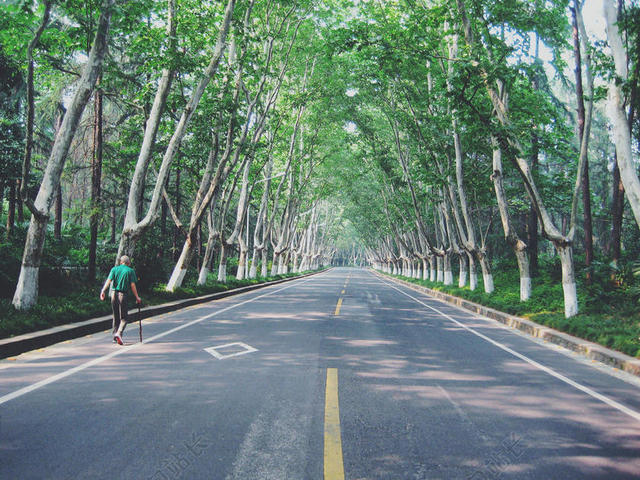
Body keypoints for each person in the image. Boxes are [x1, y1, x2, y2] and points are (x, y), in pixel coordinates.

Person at [100, 255, 142, 345]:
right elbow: (132, 285)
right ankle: (119, 333)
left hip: (113, 294)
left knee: (116, 316)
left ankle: (115, 337)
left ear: (120, 262)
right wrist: (137, 297)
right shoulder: (130, 271)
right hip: (123, 295)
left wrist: (103, 290)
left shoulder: (114, 269)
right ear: (129, 263)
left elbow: (108, 280)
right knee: (124, 318)